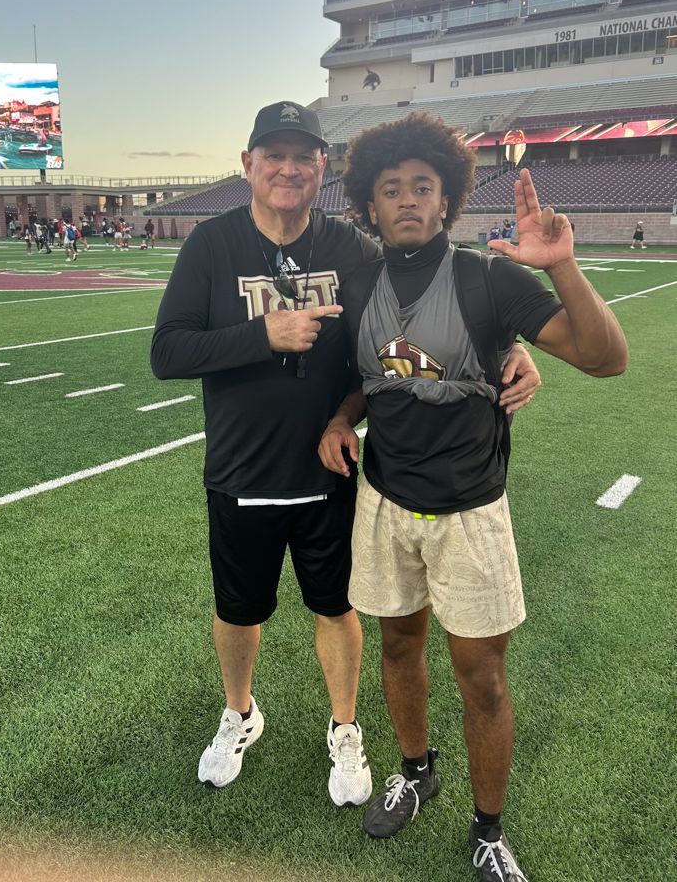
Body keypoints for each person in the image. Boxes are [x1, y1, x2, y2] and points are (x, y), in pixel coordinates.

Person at [150, 101, 542, 808]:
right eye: (274, 154)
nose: (289, 168)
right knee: (239, 611)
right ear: (248, 165)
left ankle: (345, 726)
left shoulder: (350, 249)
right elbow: (166, 352)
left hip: (336, 470)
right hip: (241, 470)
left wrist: (507, 350)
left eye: (304, 157)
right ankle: (239, 713)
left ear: (321, 170)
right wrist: (260, 335)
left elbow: (430, 295)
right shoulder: (211, 246)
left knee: (337, 608)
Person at [318, 112, 628, 882]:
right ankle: (418, 771)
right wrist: (339, 417)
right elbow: (370, 374)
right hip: (386, 503)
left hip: (471, 511)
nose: (407, 199)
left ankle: (488, 828)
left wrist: (562, 266)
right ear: (369, 206)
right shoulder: (358, 286)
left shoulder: (488, 278)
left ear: (449, 198)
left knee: (483, 678)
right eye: (390, 189)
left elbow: (606, 358)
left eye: (423, 185)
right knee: (397, 646)